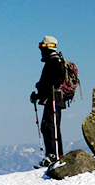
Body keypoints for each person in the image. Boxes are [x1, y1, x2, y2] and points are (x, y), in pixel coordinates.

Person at [30, 36, 66, 167]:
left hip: (54, 99)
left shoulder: (54, 62)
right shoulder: (54, 61)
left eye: (42, 46)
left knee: (50, 127)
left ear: (47, 47)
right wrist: (40, 94)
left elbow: (54, 82)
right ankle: (54, 154)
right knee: (49, 126)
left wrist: (40, 92)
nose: (40, 50)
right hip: (54, 99)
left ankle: (54, 155)